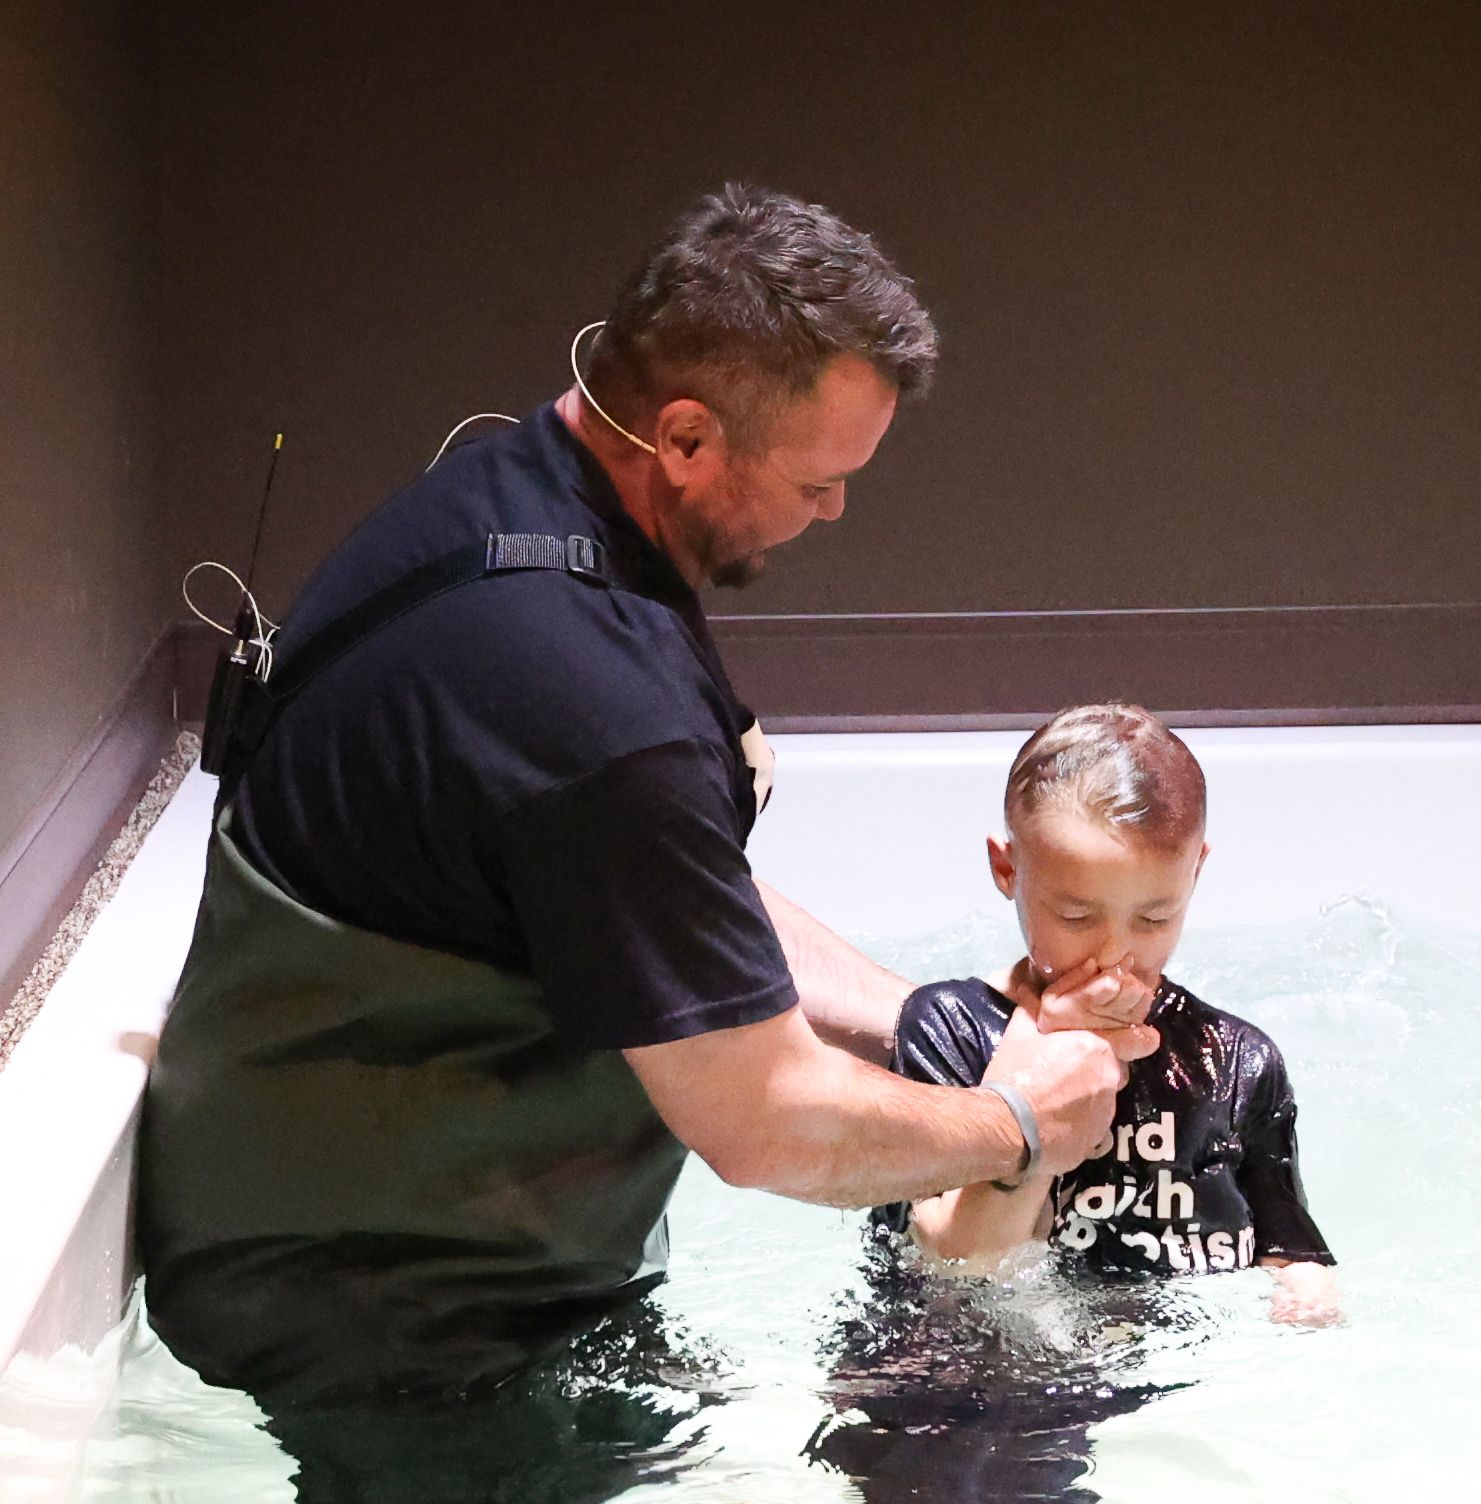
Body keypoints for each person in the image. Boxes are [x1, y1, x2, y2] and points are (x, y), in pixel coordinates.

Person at [139, 187, 1156, 1424]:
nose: (835, 509)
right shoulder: (591, 699)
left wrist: (919, 1020)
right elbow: (760, 1121)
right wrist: (1011, 1120)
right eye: (818, 479)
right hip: (399, 1327)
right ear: (683, 438)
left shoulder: (504, 496)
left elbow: (658, 889)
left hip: (372, 1235)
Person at [879, 704, 1339, 1324]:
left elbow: (1290, 1249)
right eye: (1075, 916)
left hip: (1181, 1361)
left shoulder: (1238, 1060)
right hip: (993, 1370)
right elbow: (958, 1262)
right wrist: (1046, 1050)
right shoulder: (948, 1031)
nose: (1115, 952)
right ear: (1007, 868)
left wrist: (1307, 1295)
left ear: (1195, 872)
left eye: (1154, 918)